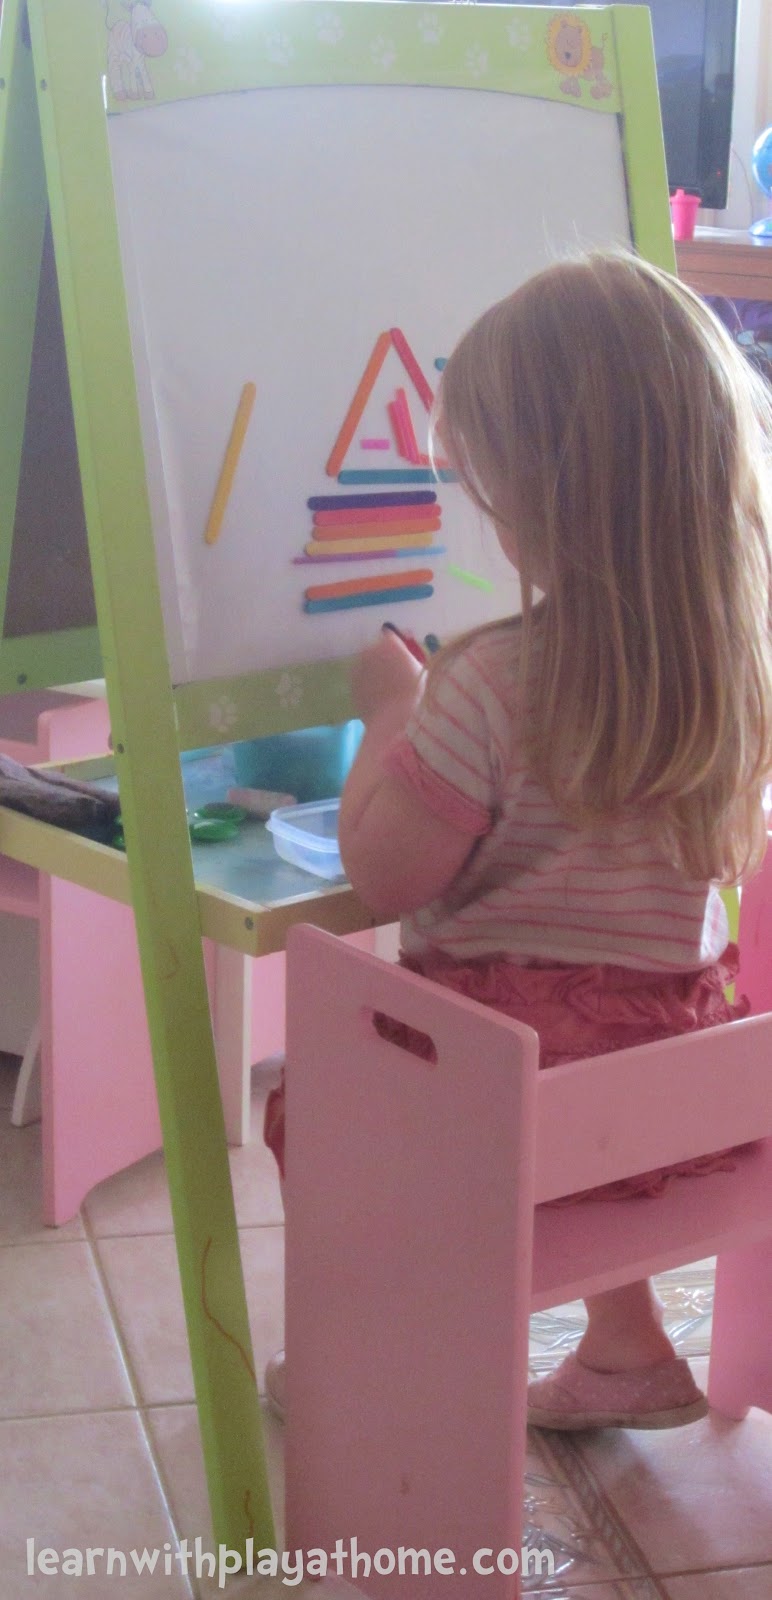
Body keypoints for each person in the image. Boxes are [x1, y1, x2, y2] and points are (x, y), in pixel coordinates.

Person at [264, 250, 772, 1430]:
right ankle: (626, 1346)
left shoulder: (492, 680)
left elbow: (384, 872)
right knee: (580, 1061)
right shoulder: (732, 672)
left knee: (339, 1094)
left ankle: (372, 1355)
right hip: (671, 1090)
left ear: (547, 500)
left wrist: (391, 712)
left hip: (503, 1103)